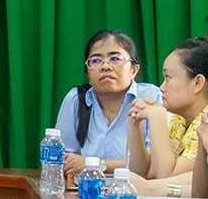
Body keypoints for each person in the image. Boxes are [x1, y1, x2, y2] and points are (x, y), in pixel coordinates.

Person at [55, 30, 161, 175]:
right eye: (95, 61)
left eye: (115, 59)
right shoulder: (75, 99)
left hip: (139, 187)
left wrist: (95, 164)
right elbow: (64, 159)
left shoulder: (151, 98)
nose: (105, 66)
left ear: (134, 70)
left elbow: (157, 161)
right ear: (88, 74)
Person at [127, 38, 208, 185]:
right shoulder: (179, 120)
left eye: (168, 77)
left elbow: (167, 178)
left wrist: (157, 116)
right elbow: (144, 172)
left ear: (197, 83)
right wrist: (135, 122)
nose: (161, 88)